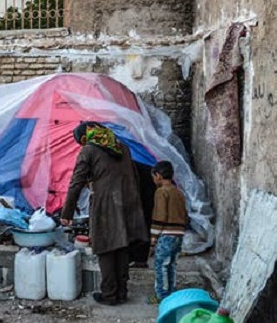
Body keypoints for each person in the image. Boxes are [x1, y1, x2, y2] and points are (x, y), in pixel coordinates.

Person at [60, 121, 147, 305]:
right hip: (128, 202)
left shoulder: (88, 150)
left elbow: (76, 183)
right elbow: (133, 175)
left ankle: (109, 294)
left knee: (105, 247)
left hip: (105, 204)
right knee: (123, 245)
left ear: (85, 138)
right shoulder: (121, 146)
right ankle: (122, 292)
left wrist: (66, 213)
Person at [148, 160, 187, 303]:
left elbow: (160, 216)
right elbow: (185, 214)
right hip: (179, 234)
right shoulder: (178, 193)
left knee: (161, 265)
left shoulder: (161, 192)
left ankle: (162, 296)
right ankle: (172, 293)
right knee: (171, 265)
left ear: (158, 176)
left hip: (166, 234)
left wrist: (153, 240)